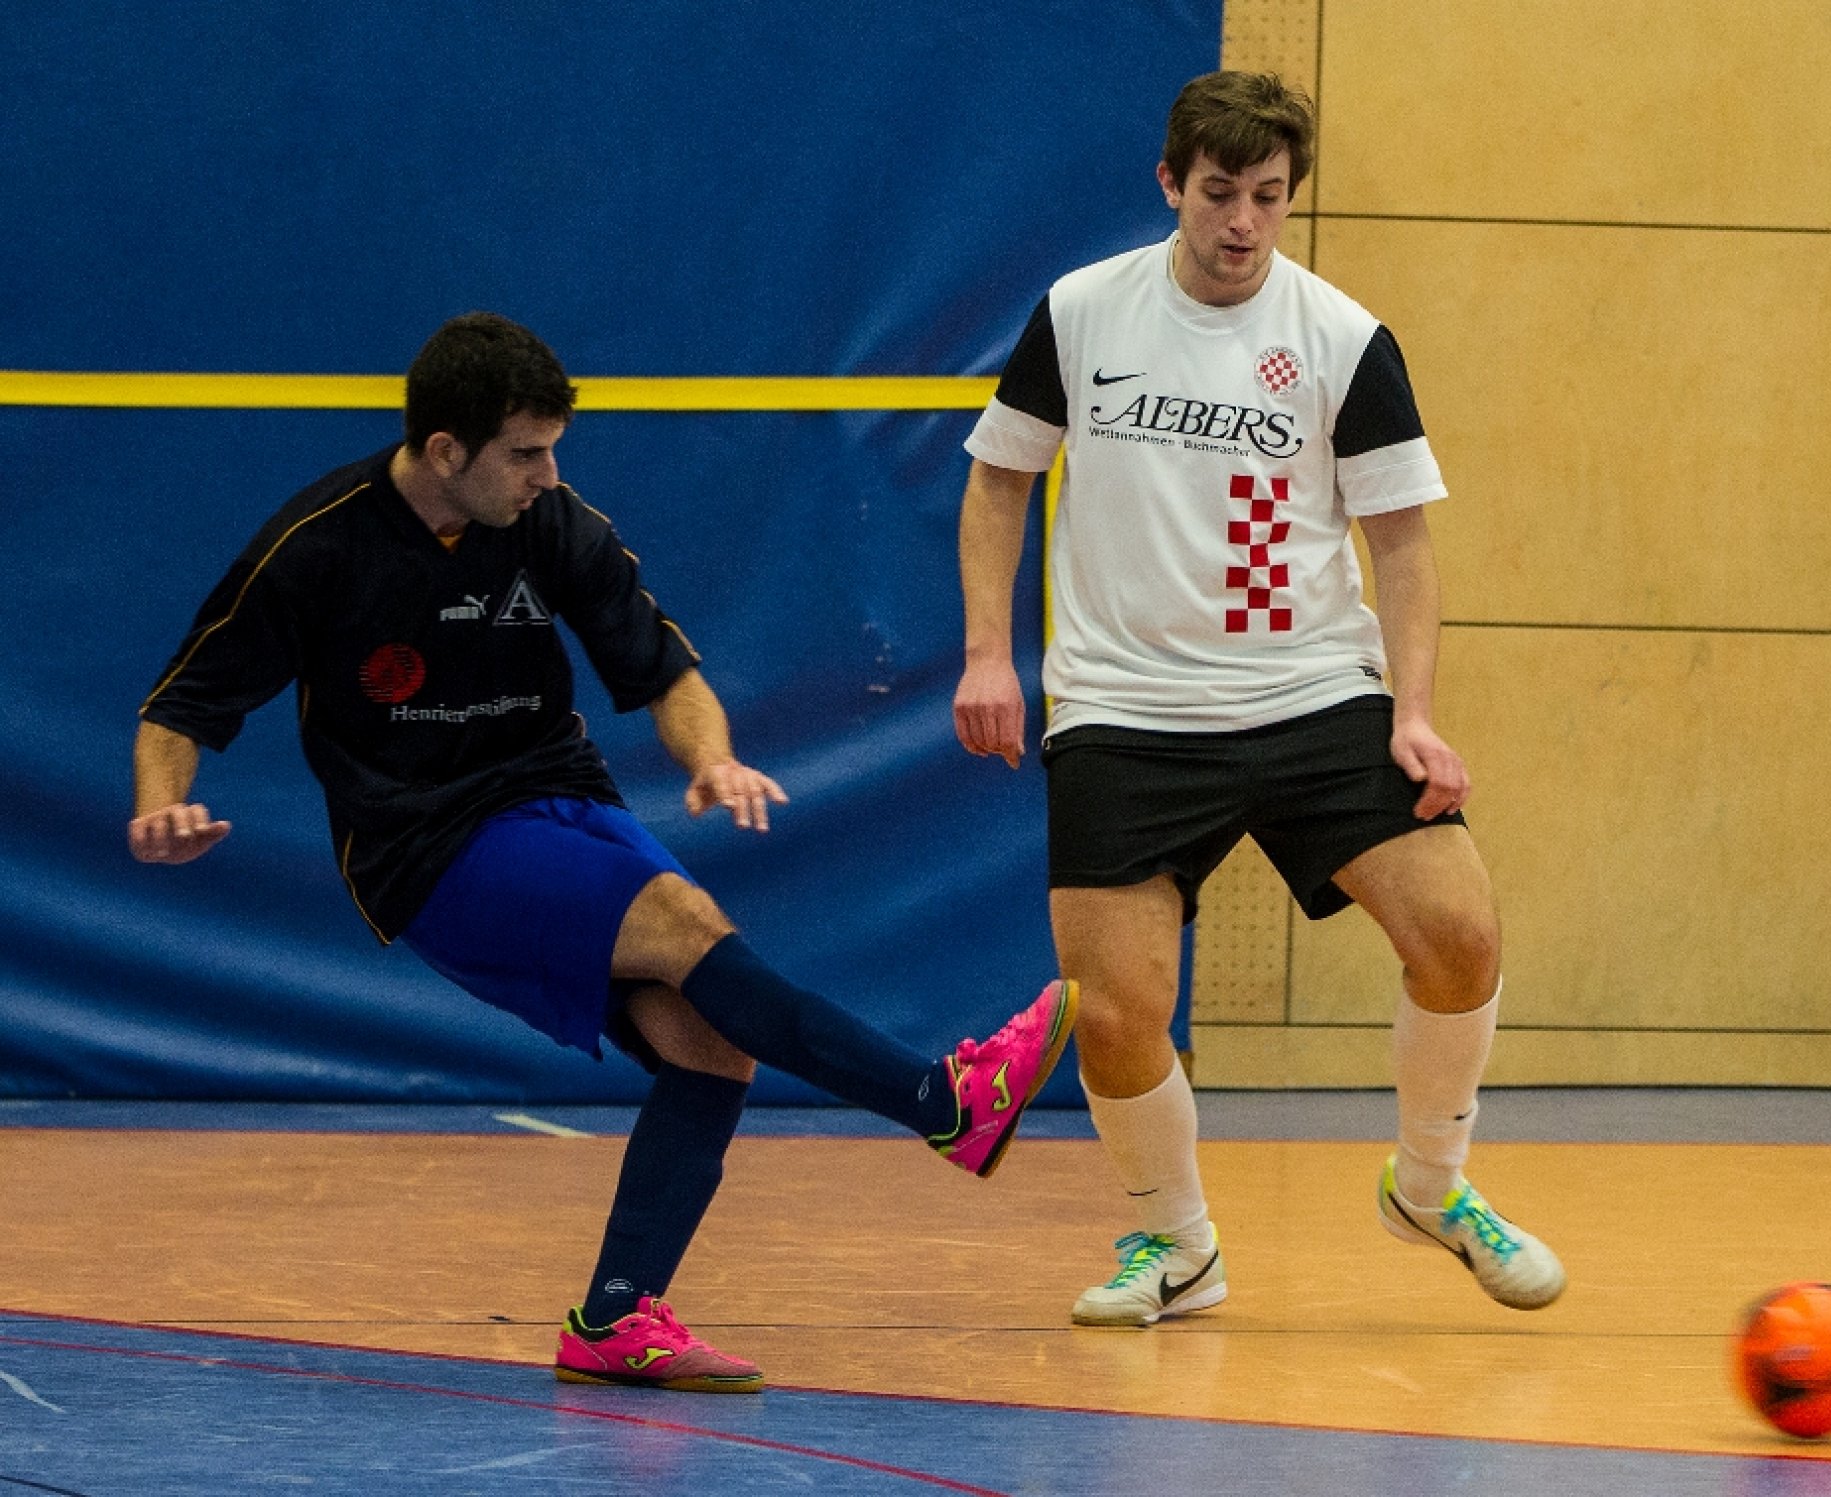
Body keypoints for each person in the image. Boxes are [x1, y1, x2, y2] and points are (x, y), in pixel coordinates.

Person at [132, 311, 1076, 1390]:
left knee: (711, 1043)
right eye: (525, 452)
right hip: (423, 842)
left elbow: (663, 670)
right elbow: (182, 705)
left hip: (557, 796)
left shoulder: (549, 521)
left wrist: (711, 758)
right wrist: (162, 807)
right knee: (685, 926)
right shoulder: (317, 547)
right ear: (445, 450)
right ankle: (942, 1103)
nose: (547, 473)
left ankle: (616, 1318)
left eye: (551, 450)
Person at [951, 72, 1563, 1328]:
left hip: (1310, 692)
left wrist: (1411, 712)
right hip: (1123, 706)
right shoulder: (1081, 312)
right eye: (1219, 192)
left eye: (1268, 198)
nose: (1242, 222)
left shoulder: (1341, 338)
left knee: (1459, 932)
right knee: (1117, 1013)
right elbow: (1000, 481)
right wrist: (986, 656)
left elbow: (1401, 545)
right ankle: (1176, 1247)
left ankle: (1430, 1186)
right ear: (1170, 183)